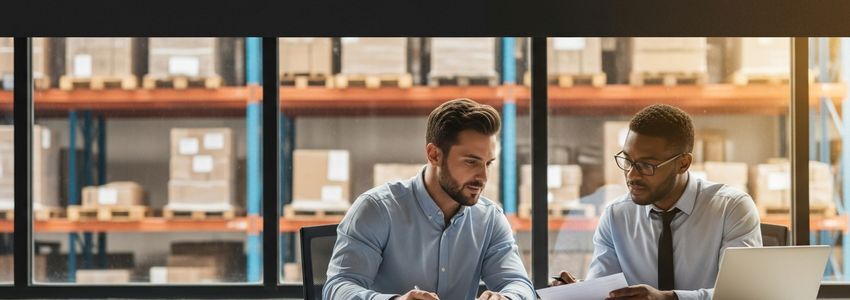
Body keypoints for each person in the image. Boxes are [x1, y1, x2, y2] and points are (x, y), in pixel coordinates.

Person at [324, 98, 535, 300]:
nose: (483, 177)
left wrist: (507, 297)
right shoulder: (377, 209)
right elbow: (338, 288)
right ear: (434, 155)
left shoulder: (489, 218)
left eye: (488, 163)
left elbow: (518, 283)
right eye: (471, 162)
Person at [552, 104, 762, 300]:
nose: (632, 175)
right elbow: (605, 290)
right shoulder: (616, 216)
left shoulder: (731, 209)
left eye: (647, 165)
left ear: (683, 164)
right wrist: (579, 292)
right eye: (628, 161)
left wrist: (669, 298)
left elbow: (743, 294)